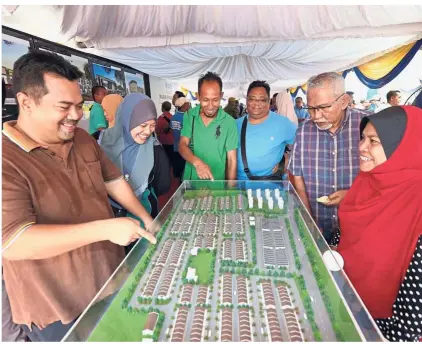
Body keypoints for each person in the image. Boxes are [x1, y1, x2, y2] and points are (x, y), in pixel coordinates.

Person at [2, 50, 156, 342]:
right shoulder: (6, 159)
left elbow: (112, 180)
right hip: (58, 306)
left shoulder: (81, 138)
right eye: (63, 106)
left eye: (79, 105)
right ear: (26, 102)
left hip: (108, 278)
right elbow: (13, 242)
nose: (75, 115)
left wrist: (147, 219)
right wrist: (104, 228)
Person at [333, 106, 422, 342]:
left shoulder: (417, 204)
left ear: (403, 147)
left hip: (383, 327)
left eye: (373, 141)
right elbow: (343, 234)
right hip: (343, 300)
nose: (361, 146)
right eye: (363, 137)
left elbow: (415, 307)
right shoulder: (367, 181)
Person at [288, 72, 370, 242]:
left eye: (324, 108)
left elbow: (384, 178)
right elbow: (297, 178)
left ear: (344, 101)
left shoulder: (367, 127)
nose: (316, 116)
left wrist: (352, 194)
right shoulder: (304, 131)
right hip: (318, 223)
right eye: (310, 108)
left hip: (360, 226)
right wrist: (308, 220)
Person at [101, 93, 168, 222]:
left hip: (143, 219)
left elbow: (164, 184)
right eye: (143, 125)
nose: (148, 131)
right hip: (106, 219)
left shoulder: (155, 149)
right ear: (127, 119)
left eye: (152, 125)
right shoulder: (95, 143)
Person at [179, 72, 238, 181]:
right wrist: (197, 163)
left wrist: (231, 190)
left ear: (221, 95)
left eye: (215, 100)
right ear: (198, 96)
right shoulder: (189, 116)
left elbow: (232, 159)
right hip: (191, 183)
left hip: (216, 183)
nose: (210, 106)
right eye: (205, 100)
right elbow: (182, 145)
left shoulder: (229, 122)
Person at [237, 81, 297, 181]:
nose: (256, 104)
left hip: (270, 185)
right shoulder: (235, 124)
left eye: (262, 100)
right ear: (246, 100)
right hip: (238, 185)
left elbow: (302, 148)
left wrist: (286, 162)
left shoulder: (283, 124)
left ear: (269, 101)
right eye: (252, 99)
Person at [171, 97, 190, 180]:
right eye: (188, 103)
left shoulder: (173, 117)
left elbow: (173, 131)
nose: (189, 105)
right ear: (184, 105)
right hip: (185, 147)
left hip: (175, 146)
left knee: (178, 166)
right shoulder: (187, 118)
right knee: (185, 169)